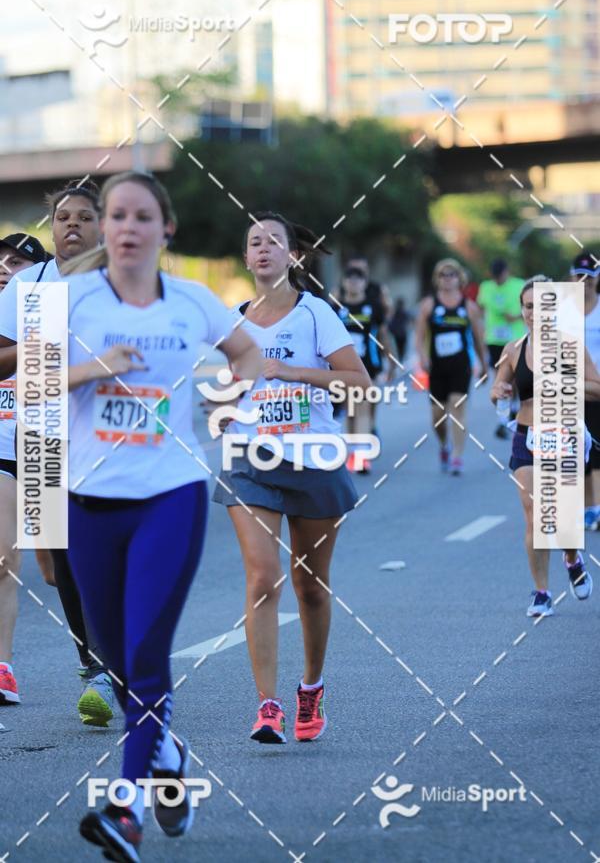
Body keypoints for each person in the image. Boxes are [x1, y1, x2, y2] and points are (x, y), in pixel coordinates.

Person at [56, 171, 262, 859]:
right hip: (89, 499)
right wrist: (93, 370)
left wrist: (233, 398)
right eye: (117, 215)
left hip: (169, 493)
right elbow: (21, 375)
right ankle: (168, 758)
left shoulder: (194, 302)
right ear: (106, 228)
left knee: (146, 652)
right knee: (116, 660)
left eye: (142, 216)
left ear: (164, 229)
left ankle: (126, 805)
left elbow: (248, 354)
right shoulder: (70, 299)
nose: (127, 227)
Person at [214, 212, 370, 745]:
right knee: (262, 578)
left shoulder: (316, 315)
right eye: (254, 242)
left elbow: (359, 383)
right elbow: (221, 384)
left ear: (292, 255)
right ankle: (268, 706)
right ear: (245, 257)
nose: (263, 249)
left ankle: (311, 687)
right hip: (249, 457)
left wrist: (294, 372)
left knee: (310, 587)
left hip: (315, 459)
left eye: (273, 241)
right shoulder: (231, 322)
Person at [0, 179, 117, 727]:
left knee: (103, 551)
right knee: (60, 557)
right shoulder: (28, 286)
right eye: (63, 217)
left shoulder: (121, 283)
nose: (71, 225)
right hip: (42, 432)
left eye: (83, 217)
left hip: (108, 434)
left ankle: (110, 661)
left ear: (104, 225)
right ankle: (93, 664)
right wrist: (32, 346)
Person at [491, 275, 597, 617]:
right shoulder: (514, 349)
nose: (535, 313)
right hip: (527, 437)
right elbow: (498, 386)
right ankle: (541, 592)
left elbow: (597, 388)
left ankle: (572, 557)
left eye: (542, 306)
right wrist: (500, 392)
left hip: (563, 435)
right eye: (529, 307)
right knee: (533, 513)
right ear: (522, 310)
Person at [0, 233, 50, 704]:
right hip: (1, 451)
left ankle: (93, 660)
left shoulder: (54, 312)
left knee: (58, 570)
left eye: (15, 261)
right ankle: (3, 667)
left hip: (42, 447)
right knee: (5, 559)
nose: (3, 267)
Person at [414, 258, 487, 475]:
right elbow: (418, 338)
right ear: (437, 279)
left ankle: (457, 455)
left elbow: (478, 338)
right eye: (443, 275)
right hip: (436, 367)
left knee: (457, 407)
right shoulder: (429, 305)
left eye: (452, 274)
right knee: (437, 415)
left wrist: (483, 364)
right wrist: (422, 358)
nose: (447, 279)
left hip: (461, 365)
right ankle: (444, 445)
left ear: (459, 278)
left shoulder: (469, 307)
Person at [336, 264, 390, 473]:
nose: (354, 283)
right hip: (343, 368)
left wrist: (390, 360)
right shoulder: (337, 308)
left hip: (370, 365)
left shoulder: (373, 307)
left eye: (358, 279)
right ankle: (354, 451)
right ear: (344, 283)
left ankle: (362, 454)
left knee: (363, 408)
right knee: (350, 410)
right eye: (350, 278)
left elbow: (383, 334)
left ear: (365, 284)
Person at [478, 258, 525, 438]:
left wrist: (516, 317)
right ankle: (503, 420)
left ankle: (513, 408)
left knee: (515, 380)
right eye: (496, 278)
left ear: (507, 272)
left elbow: (531, 307)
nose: (499, 281)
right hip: (494, 341)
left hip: (515, 340)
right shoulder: (486, 287)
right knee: (501, 380)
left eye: (501, 277)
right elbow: (480, 310)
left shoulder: (519, 285)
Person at [570, 253, 600, 530]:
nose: (584, 282)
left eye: (589, 277)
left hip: (598, 389)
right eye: (579, 276)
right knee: (579, 453)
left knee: (598, 449)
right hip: (571, 390)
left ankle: (597, 507)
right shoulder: (563, 311)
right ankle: (588, 507)